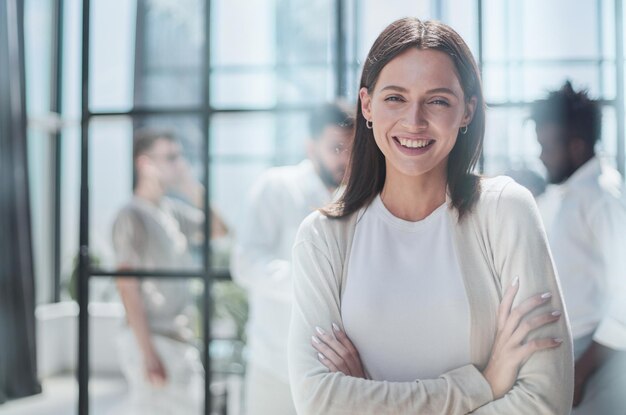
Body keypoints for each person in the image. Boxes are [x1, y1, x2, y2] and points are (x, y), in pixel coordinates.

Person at [288, 17, 574, 414]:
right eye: (395, 98)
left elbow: (544, 402)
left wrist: (368, 397)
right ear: (367, 105)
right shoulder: (323, 236)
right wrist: (484, 384)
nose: (414, 121)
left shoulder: (507, 211)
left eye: (438, 100)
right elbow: (320, 404)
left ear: (467, 111)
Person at [230, 102, 354, 415]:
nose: (347, 158)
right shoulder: (277, 187)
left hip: (336, 374)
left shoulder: (359, 199)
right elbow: (246, 263)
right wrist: (316, 282)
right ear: (310, 147)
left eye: (353, 148)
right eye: (336, 147)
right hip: (275, 365)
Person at [112, 128, 229, 414]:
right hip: (153, 339)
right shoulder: (131, 215)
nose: (179, 164)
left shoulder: (172, 211)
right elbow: (127, 286)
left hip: (177, 338)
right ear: (145, 164)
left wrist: (190, 186)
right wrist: (148, 353)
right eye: (171, 157)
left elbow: (219, 229)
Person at [530, 81, 626, 414]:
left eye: (547, 145)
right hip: (569, 357)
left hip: (598, 362)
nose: (541, 155)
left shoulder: (602, 196)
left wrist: (582, 371)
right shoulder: (563, 194)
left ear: (576, 145)